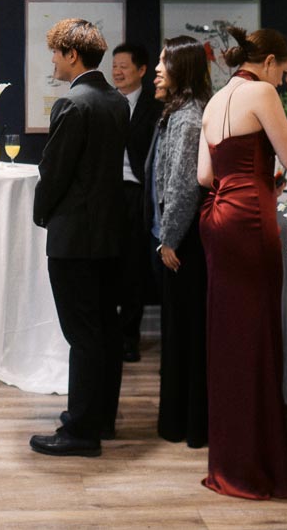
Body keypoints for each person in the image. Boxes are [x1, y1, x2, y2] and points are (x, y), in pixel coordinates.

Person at [197, 26, 287, 500]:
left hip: (217, 216)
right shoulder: (261, 91)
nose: (283, 80)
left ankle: (228, 462)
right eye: (284, 70)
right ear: (272, 61)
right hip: (251, 219)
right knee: (257, 333)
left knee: (228, 336)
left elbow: (204, 175)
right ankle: (256, 466)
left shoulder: (217, 99)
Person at [30, 19, 130, 458]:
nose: (52, 59)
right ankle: (101, 418)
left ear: (73, 55)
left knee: (83, 334)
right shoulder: (116, 101)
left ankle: (81, 431)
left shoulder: (73, 102)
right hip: (109, 232)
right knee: (105, 329)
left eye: (55, 52)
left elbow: (55, 170)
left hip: (75, 236)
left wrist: (40, 212)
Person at [146, 35, 211, 448]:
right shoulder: (178, 112)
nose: (156, 69)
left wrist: (168, 238)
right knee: (177, 334)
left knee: (184, 335)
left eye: (163, 62)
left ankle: (186, 424)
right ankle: (178, 422)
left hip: (182, 243)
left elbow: (184, 186)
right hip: (174, 237)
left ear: (181, 70)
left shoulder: (188, 118)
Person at [110, 42, 163, 363]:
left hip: (137, 193)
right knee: (106, 265)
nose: (117, 71)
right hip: (106, 193)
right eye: (114, 65)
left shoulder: (156, 107)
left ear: (142, 70)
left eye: (124, 66)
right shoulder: (105, 101)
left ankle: (129, 337)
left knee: (133, 267)